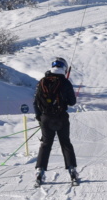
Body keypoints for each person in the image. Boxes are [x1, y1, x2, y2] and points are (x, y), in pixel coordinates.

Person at [32, 56, 79, 186]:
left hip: (46, 118)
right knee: (65, 144)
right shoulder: (65, 82)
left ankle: (39, 172)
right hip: (61, 117)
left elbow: (35, 102)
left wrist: (39, 117)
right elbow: (72, 102)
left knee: (46, 145)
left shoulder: (42, 81)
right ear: (64, 68)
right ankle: (72, 171)